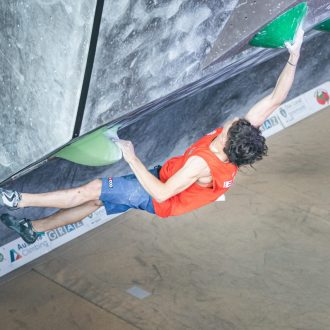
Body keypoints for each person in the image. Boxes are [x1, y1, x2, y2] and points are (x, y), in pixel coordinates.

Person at [0, 28, 304, 244]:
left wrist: (131, 157)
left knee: (90, 190)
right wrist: (294, 56)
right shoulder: (240, 141)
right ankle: (34, 229)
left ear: (227, 142)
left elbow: (161, 193)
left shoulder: (202, 164)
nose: (233, 120)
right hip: (165, 183)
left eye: (231, 126)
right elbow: (275, 100)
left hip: (158, 194)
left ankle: (17, 200)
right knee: (96, 202)